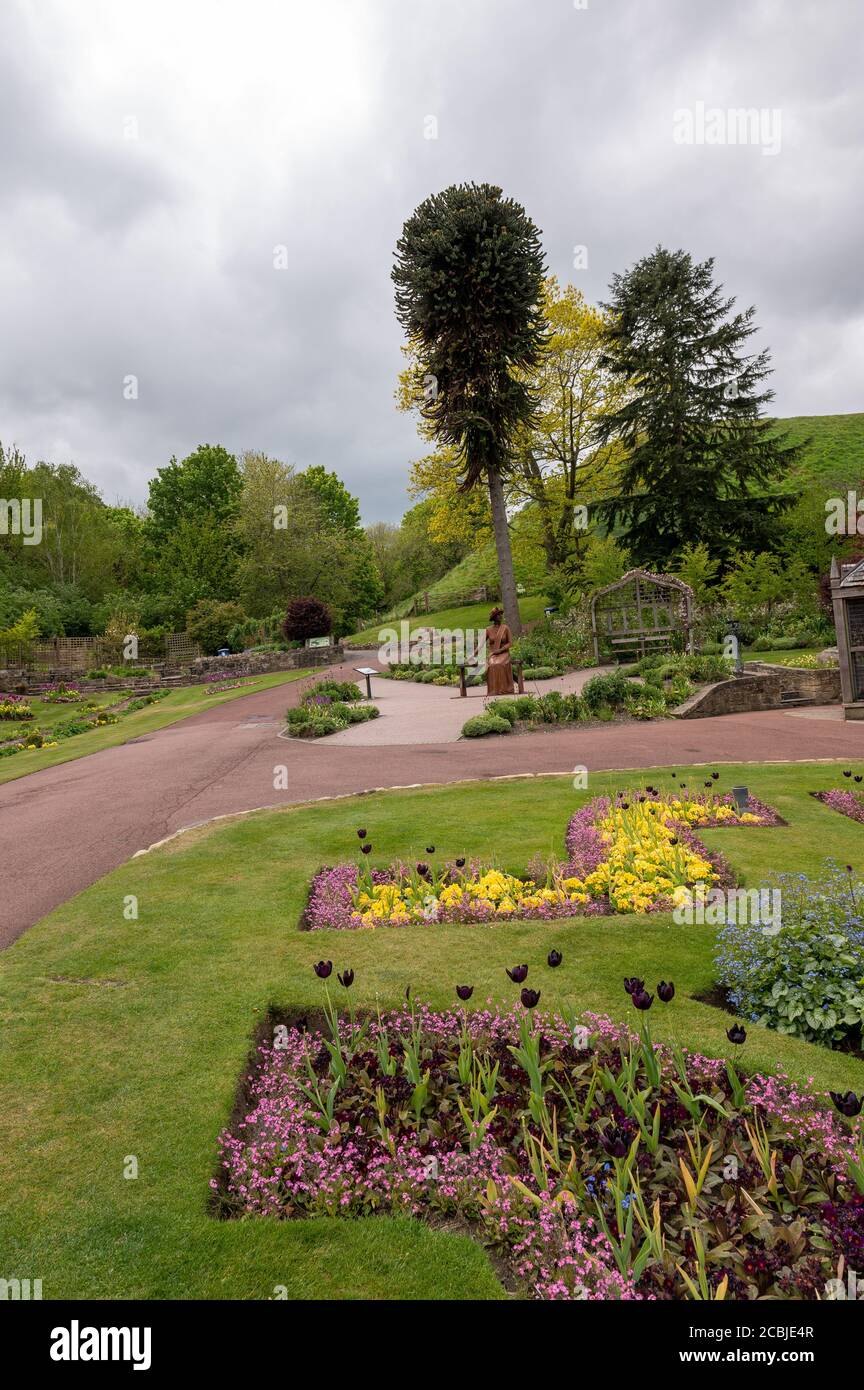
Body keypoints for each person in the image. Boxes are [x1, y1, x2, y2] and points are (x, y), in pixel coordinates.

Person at [485, 607, 514, 696]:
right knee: (492, 664)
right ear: (494, 617)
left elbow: (510, 643)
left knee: (499, 664)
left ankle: (504, 689)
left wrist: (500, 650)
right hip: (493, 654)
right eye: (498, 615)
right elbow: (481, 643)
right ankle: (494, 690)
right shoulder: (488, 629)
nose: (500, 616)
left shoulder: (505, 628)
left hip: (503, 653)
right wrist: (473, 654)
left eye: (501, 614)